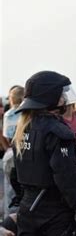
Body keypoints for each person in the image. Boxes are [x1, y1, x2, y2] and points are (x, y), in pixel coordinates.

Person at [11, 71, 76, 236]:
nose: (65, 99)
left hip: (28, 206)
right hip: (55, 211)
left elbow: (15, 173)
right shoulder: (57, 131)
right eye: (62, 94)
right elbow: (66, 176)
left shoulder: (24, 128)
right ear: (51, 97)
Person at [2, 86, 25, 217]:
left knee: (9, 190)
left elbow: (5, 135)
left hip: (9, 152)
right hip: (22, 151)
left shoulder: (8, 114)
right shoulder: (25, 113)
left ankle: (8, 221)